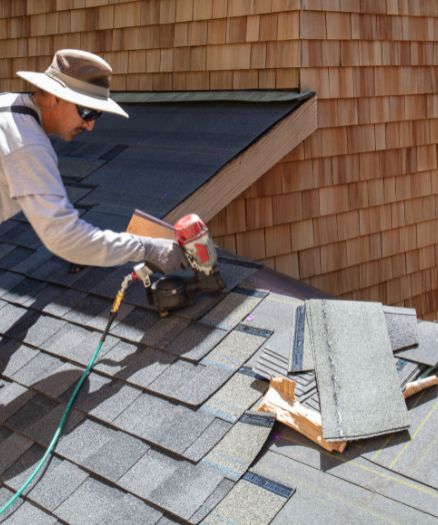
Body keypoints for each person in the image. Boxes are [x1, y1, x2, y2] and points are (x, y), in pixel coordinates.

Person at [0, 49, 189, 274]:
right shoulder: (29, 145)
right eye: (87, 112)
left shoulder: (9, 106)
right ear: (55, 97)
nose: (90, 125)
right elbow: (64, 237)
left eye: (96, 115)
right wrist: (146, 248)